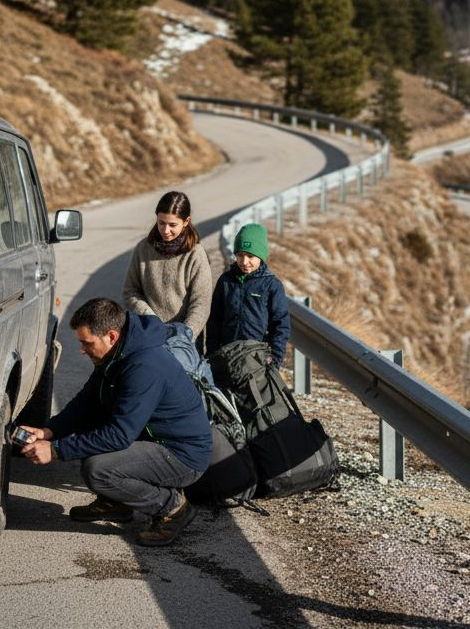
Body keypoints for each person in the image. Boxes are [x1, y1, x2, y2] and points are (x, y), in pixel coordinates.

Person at [18, 297, 211, 546]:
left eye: (87, 343)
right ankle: (116, 503)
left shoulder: (144, 366)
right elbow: (87, 402)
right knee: (93, 428)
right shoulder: (117, 353)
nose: (82, 350)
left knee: (99, 470)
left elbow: (120, 435)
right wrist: (49, 431)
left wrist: (56, 451)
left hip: (182, 455)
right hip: (150, 438)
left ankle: (173, 508)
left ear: (111, 336)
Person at [122, 190, 213, 339]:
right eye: (161, 223)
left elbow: (201, 303)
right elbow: (130, 291)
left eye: (172, 225)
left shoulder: (195, 254)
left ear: (186, 222)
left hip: (184, 342)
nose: (165, 230)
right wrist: (150, 319)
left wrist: (184, 337)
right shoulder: (143, 248)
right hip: (148, 335)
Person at [206, 223, 290, 366]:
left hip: (258, 359)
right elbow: (215, 320)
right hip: (227, 356)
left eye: (250, 256)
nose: (244, 262)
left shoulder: (271, 285)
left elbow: (281, 325)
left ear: (261, 256)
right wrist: (213, 353)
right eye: (240, 255)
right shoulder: (225, 281)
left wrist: (274, 359)